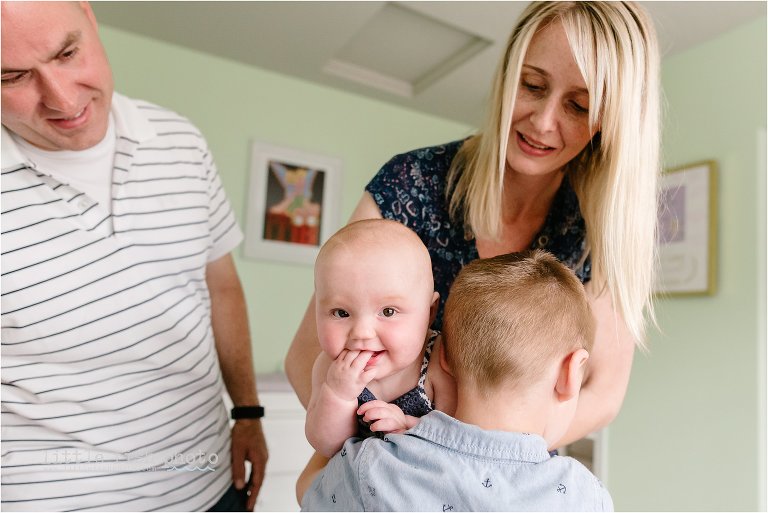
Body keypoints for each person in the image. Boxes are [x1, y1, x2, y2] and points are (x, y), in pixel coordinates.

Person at [286, 0, 661, 450]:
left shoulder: (597, 232)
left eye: (578, 106)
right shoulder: (413, 183)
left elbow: (601, 395)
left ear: (610, 122)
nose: (543, 123)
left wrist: (476, 463)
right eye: (532, 85)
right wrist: (374, 462)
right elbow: (306, 355)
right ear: (507, 75)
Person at [1, 2, 267, 511]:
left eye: (67, 52)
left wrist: (248, 411)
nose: (61, 98)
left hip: (208, 484)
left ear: (90, 15)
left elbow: (221, 287)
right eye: (14, 77)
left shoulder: (182, 141)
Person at [299, 250, 613, 511]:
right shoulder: (583, 496)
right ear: (570, 372)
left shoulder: (371, 464)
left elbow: (308, 494)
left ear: (444, 355)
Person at [306, 219, 456, 458]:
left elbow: (456, 439)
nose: (362, 333)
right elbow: (326, 447)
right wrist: (338, 395)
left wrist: (409, 426)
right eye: (341, 313)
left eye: (388, 311)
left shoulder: (440, 361)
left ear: (430, 313)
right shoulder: (330, 368)